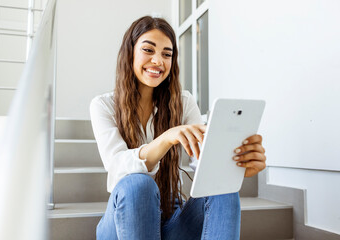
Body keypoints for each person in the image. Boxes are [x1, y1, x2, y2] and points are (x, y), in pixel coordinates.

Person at [90, 16, 266, 240]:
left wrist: (236, 164)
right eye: (148, 50)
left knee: (221, 189)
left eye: (166, 54)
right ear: (130, 53)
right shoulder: (103, 105)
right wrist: (165, 139)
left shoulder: (183, 102)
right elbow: (117, 166)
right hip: (123, 222)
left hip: (171, 219)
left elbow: (204, 160)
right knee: (137, 184)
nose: (157, 61)